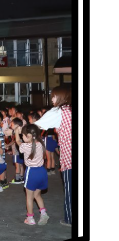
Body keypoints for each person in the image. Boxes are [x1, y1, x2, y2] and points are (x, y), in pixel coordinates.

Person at [29, 84, 70, 226]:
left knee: (69, 190)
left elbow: (36, 126)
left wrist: (18, 131)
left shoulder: (59, 112)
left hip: (69, 158)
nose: (52, 98)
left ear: (62, 97)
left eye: (54, 96)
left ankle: (69, 218)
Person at [17, 124, 49, 225]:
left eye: (23, 135)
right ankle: (43, 213)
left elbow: (18, 143)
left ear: (29, 136)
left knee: (29, 197)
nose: (22, 137)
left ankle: (30, 218)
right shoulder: (40, 143)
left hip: (31, 172)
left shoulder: (25, 146)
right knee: (37, 194)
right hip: (42, 172)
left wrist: (16, 134)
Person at [8, 117, 26, 184]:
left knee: (17, 165)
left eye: (12, 124)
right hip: (20, 152)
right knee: (21, 164)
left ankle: (17, 179)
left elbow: (14, 141)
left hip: (16, 151)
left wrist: (8, 145)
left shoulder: (16, 133)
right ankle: (21, 177)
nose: (11, 125)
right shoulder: (21, 133)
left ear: (17, 126)